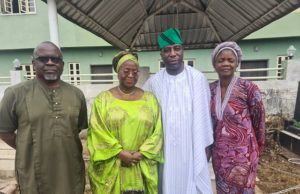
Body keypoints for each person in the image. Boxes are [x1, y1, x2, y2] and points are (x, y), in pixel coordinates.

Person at [0, 41, 88, 194]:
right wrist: (29, 147)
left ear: (62, 64)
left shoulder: (76, 94)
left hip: (70, 170)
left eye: (55, 59)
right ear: (34, 64)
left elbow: (78, 128)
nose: (50, 63)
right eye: (43, 59)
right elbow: (4, 131)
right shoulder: (15, 94)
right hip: (33, 171)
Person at [143, 28, 214, 194]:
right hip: (164, 149)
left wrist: (205, 147)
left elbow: (204, 117)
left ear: (183, 50)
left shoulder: (197, 78)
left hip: (191, 146)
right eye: (167, 50)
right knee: (166, 183)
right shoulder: (153, 83)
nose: (172, 53)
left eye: (176, 48)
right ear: (161, 54)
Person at [87, 50, 163, 194]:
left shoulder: (150, 100)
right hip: (113, 167)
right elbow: (97, 131)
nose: (131, 75)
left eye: (135, 71)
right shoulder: (103, 100)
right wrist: (120, 153)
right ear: (117, 71)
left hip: (142, 165)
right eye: (126, 71)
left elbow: (158, 132)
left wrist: (140, 154)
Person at [210, 41, 265, 194]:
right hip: (220, 156)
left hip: (244, 155)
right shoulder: (210, 90)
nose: (225, 64)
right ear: (214, 64)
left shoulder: (249, 88)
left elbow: (259, 121)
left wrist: (257, 147)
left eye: (230, 60)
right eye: (221, 60)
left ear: (237, 63)